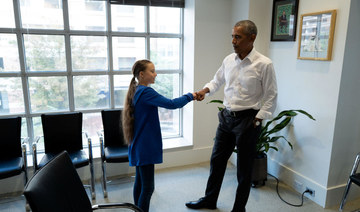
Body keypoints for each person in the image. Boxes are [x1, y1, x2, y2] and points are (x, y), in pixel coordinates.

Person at [186, 20, 277, 212]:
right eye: (232, 36)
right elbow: (217, 80)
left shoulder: (264, 64)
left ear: (252, 38)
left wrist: (259, 118)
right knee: (217, 161)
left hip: (248, 120)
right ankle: (210, 200)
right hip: (226, 118)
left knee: (243, 170)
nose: (233, 41)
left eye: (238, 37)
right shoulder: (228, 60)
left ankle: (239, 209)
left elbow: (271, 95)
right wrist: (205, 90)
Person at [122, 59, 196, 212]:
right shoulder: (146, 92)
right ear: (142, 74)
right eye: (152, 71)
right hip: (145, 146)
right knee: (148, 188)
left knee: (140, 183)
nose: (156, 74)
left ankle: (137, 210)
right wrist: (191, 95)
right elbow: (172, 104)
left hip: (138, 145)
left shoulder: (136, 90)